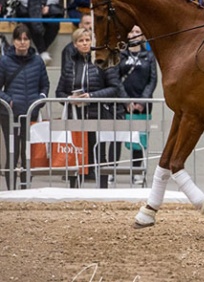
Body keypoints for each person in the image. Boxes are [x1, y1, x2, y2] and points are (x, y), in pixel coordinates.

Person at [55, 27, 122, 188]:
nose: (84, 43)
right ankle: (74, 189)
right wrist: (70, 99)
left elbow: (115, 88)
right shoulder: (70, 65)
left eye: (87, 40)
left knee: (99, 153)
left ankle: (103, 189)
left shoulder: (103, 61)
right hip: (75, 116)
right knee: (76, 154)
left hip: (97, 114)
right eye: (80, 41)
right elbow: (59, 92)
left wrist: (92, 96)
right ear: (75, 44)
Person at [0, 24, 49, 189]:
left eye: (26, 39)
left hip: (30, 113)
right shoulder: (4, 61)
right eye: (19, 39)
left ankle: (24, 188)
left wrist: (40, 99)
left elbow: (45, 85)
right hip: (9, 114)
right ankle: (11, 189)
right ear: (13, 41)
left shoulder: (38, 61)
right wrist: (8, 100)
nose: (22, 42)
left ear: (30, 41)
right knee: (12, 152)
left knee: (27, 152)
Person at [114, 25, 158, 185]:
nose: (134, 34)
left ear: (143, 36)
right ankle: (111, 169)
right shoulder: (120, 54)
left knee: (138, 140)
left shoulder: (149, 56)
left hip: (142, 105)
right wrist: (126, 101)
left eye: (137, 32)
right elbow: (116, 79)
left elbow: (152, 80)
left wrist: (141, 101)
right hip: (122, 104)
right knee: (117, 138)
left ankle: (137, 172)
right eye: (131, 31)